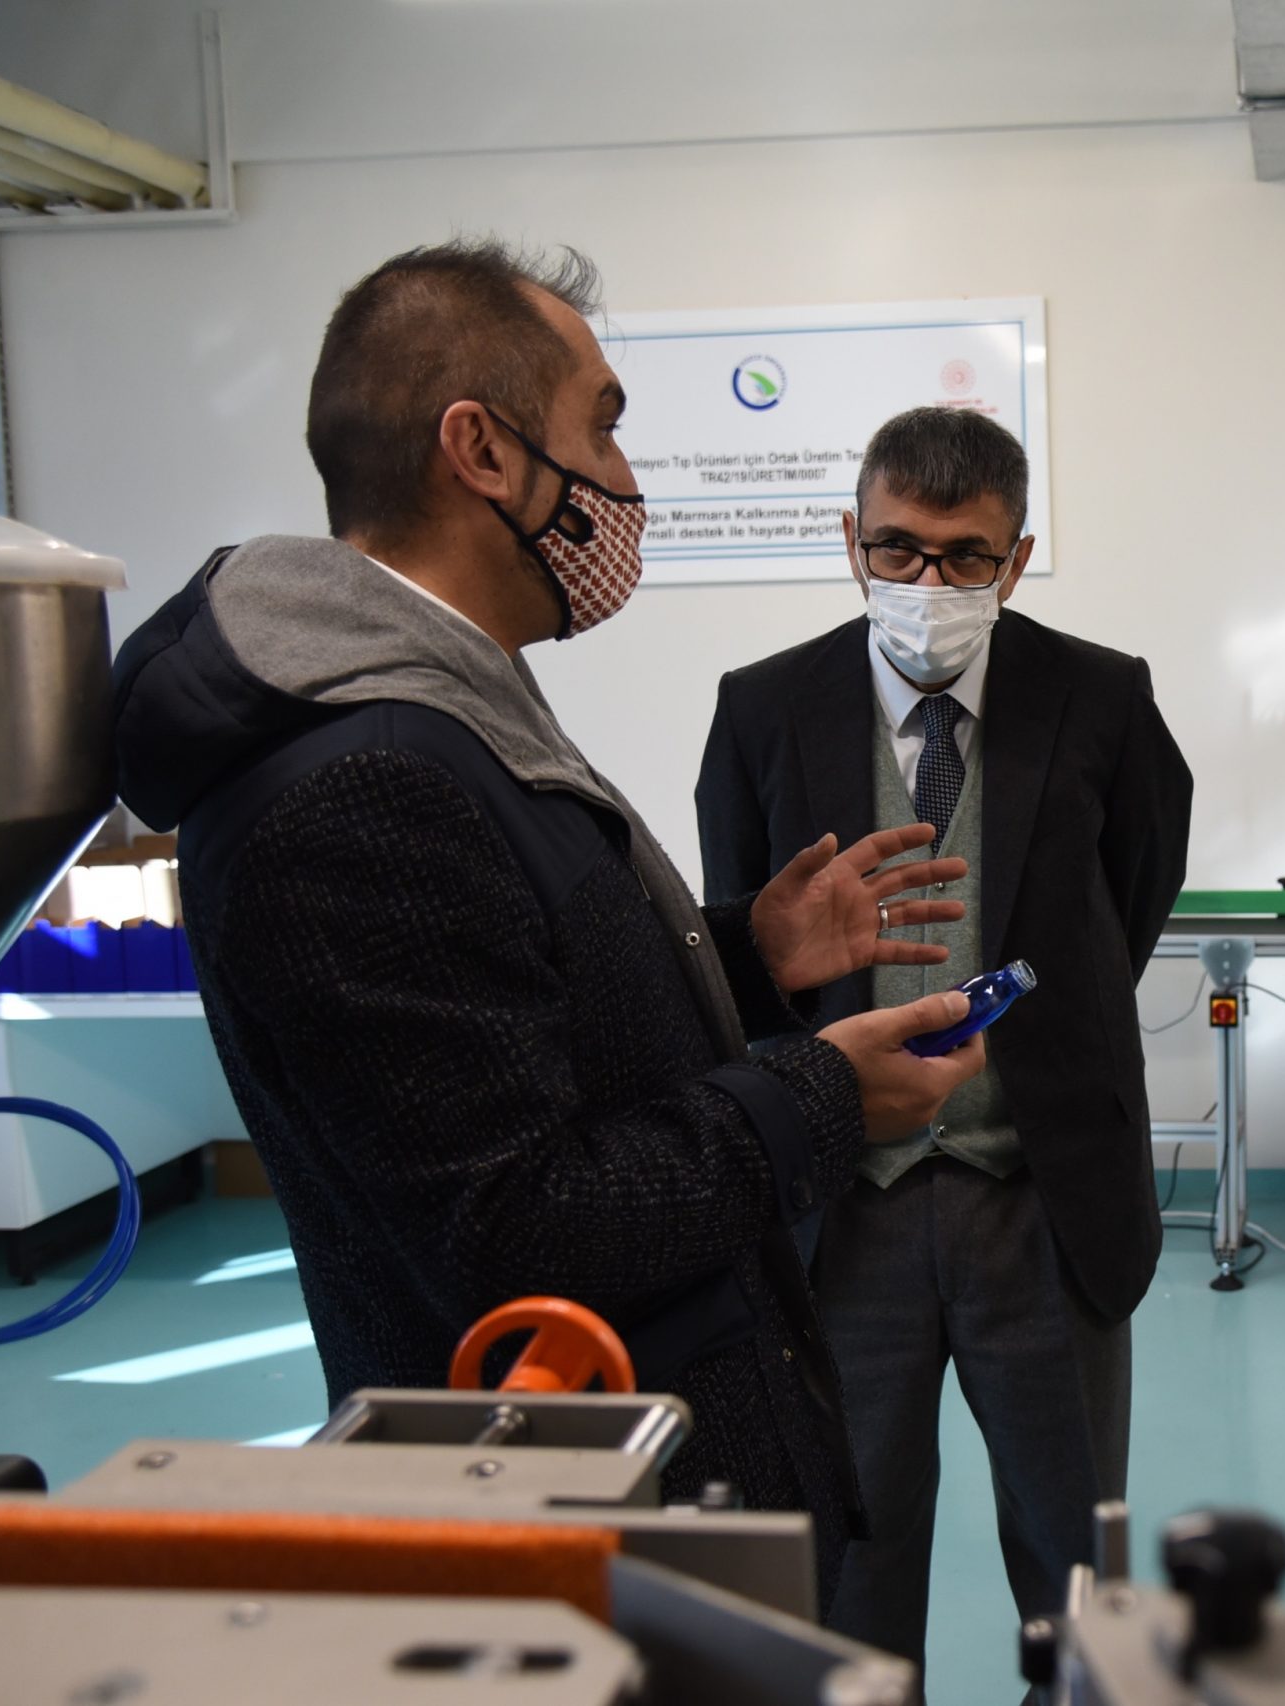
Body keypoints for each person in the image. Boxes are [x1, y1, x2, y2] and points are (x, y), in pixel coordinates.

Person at [108, 240, 986, 1609]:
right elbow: (519, 1221)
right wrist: (825, 1092)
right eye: (604, 426)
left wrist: (750, 955)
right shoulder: (365, 781)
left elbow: (527, 1015)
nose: (627, 480)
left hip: (651, 1454)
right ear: (484, 452)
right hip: (574, 1516)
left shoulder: (444, 708)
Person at [696, 405, 1192, 1675]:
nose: (929, 581)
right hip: (840, 1205)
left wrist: (1041, 1048)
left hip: (1042, 1195)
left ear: (1015, 559)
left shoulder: (1101, 697)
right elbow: (743, 943)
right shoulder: (763, 708)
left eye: (966, 554)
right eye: (899, 548)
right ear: (850, 541)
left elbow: (1133, 893)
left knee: (1073, 1553)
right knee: (851, 1552)